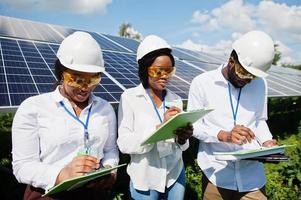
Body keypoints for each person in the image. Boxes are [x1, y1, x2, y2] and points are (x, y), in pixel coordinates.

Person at [12, 31, 119, 200]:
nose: (85, 88)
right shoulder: (33, 108)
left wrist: (110, 170)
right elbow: (22, 166)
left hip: (94, 193)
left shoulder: (105, 108)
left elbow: (110, 150)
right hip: (49, 194)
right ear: (61, 72)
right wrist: (61, 175)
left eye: (92, 80)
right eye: (77, 79)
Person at [187, 30, 277, 200]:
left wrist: (267, 141)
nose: (248, 80)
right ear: (231, 60)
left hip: (252, 177)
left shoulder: (260, 84)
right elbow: (194, 126)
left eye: (253, 77)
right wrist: (223, 135)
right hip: (216, 174)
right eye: (244, 74)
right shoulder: (202, 83)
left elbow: (259, 120)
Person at [117, 35, 193, 200]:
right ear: (145, 69)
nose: (164, 75)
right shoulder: (129, 98)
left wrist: (183, 138)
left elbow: (182, 147)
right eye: (158, 70)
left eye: (169, 70)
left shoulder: (175, 99)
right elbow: (124, 143)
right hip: (146, 179)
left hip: (174, 175)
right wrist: (159, 129)